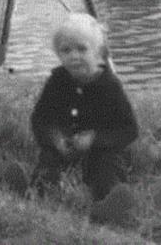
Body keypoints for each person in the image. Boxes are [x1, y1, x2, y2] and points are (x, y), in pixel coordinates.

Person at [29, 13, 139, 222]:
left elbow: (129, 130)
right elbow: (40, 119)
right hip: (66, 147)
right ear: (58, 54)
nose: (74, 56)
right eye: (66, 50)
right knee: (48, 161)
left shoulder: (110, 86)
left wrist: (95, 139)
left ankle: (109, 205)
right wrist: (54, 138)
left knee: (107, 169)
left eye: (82, 49)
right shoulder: (57, 81)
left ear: (98, 53)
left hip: (103, 149)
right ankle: (34, 193)